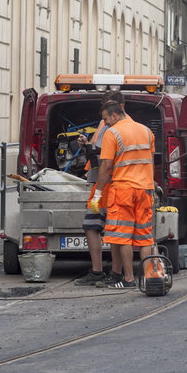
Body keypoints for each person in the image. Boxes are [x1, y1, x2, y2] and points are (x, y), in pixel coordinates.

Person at [90, 99, 156, 288]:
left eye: (106, 119)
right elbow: (150, 160)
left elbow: (106, 166)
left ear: (114, 115)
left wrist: (98, 193)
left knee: (122, 236)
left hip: (123, 191)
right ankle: (150, 277)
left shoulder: (113, 133)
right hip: (145, 190)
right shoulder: (146, 131)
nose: (106, 124)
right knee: (144, 237)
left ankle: (128, 279)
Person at [73, 90, 125, 286]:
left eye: (110, 106)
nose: (106, 114)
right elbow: (98, 152)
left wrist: (100, 190)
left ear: (119, 108)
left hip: (110, 185)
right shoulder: (105, 123)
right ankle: (98, 271)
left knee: (112, 229)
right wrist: (88, 145)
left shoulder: (118, 127)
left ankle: (115, 272)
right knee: (92, 225)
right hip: (99, 183)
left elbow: (107, 160)